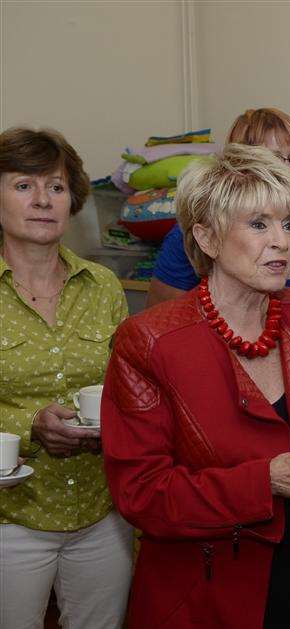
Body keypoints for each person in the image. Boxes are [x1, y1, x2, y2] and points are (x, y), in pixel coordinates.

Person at [102, 144, 290, 629]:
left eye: (288, 223)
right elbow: (142, 494)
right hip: (213, 588)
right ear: (206, 236)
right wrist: (261, 482)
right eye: (258, 224)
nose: (281, 241)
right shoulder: (150, 340)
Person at [0, 127, 133, 628]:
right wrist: (29, 423)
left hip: (102, 510)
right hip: (10, 517)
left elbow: (129, 384)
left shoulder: (102, 285)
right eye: (22, 185)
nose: (42, 200)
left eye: (55, 187)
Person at [147, 108, 290, 340]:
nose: (286, 171)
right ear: (236, 166)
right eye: (272, 159)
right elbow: (162, 331)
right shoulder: (198, 234)